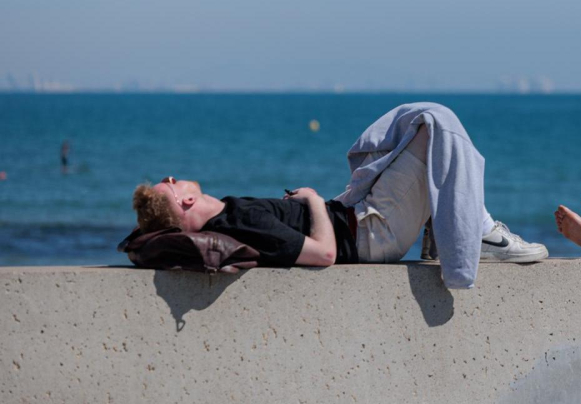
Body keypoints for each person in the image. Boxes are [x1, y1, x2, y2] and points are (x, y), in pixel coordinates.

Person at [131, 102, 547, 289]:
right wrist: (313, 199)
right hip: (370, 233)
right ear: (184, 202)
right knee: (436, 122)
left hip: (357, 216)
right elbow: (324, 255)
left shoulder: (231, 214)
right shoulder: (240, 221)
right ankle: (480, 235)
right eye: (170, 181)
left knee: (409, 125)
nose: (175, 177)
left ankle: (451, 227)